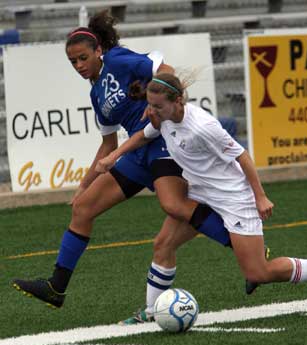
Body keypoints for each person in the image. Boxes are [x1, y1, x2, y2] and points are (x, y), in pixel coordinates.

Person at [11, 11, 252, 311]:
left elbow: (164, 68)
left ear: (98, 50)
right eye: (73, 62)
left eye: (83, 58)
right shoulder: (96, 94)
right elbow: (108, 145)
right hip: (136, 153)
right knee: (84, 208)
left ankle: (248, 252)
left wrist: (158, 105)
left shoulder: (118, 60)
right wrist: (83, 186)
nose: (79, 66)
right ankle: (56, 287)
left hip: (162, 142)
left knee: (173, 205)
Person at [96, 73, 307, 324]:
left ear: (178, 101)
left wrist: (260, 197)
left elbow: (242, 156)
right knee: (163, 244)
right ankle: (151, 312)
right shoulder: (163, 117)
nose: (152, 111)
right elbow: (144, 135)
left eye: (158, 106)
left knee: (258, 271)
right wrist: (112, 157)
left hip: (234, 197)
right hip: (200, 193)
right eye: (150, 104)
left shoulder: (203, 127)